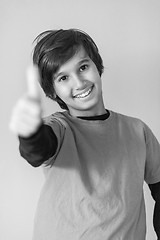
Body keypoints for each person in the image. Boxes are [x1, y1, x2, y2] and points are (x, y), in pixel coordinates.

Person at [10, 29, 160, 240]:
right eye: (63, 78)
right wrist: (30, 134)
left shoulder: (138, 131)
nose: (79, 83)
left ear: (97, 67)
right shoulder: (58, 128)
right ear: (53, 91)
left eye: (83, 67)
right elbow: (39, 149)